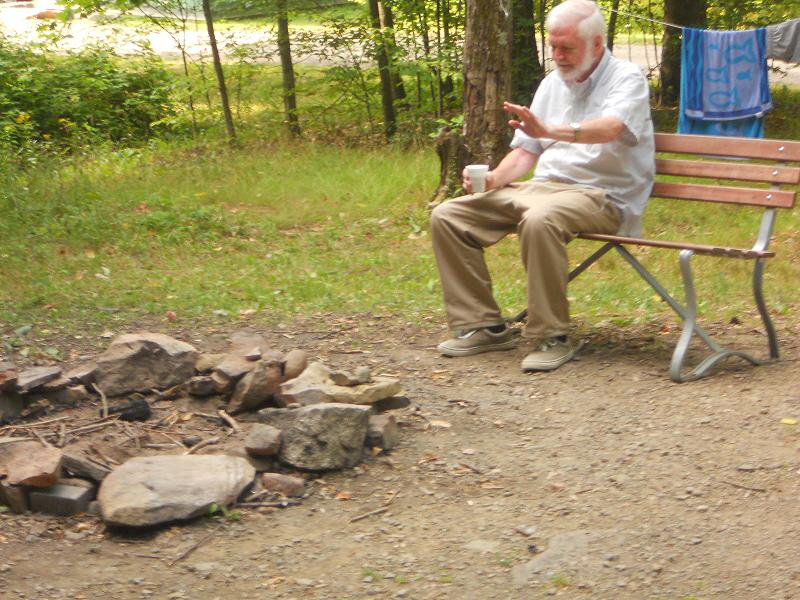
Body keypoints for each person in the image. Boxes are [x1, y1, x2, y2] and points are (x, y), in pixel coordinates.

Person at [430, 0, 655, 372]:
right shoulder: (553, 83)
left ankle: (552, 336)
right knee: (449, 215)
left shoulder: (626, 78)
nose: (558, 56)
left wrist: (550, 130)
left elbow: (610, 128)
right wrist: (493, 179)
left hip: (603, 197)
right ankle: (483, 326)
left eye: (567, 48)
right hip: (543, 189)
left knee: (539, 218)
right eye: (553, 47)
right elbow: (526, 151)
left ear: (596, 44)